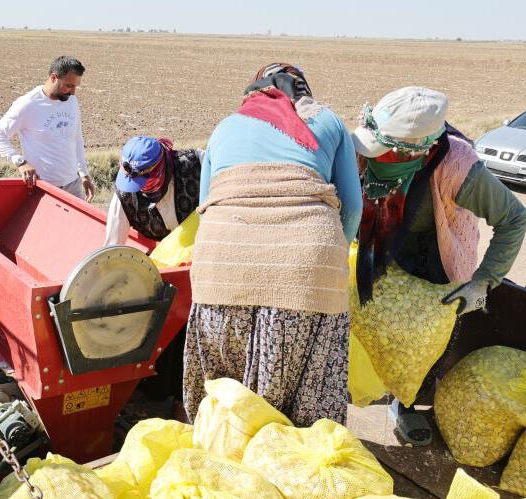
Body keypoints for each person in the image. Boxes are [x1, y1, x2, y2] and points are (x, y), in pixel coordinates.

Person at [183, 63, 363, 425]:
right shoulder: (329, 121)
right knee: (305, 395)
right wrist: (324, 259)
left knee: (227, 395)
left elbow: (205, 207)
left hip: (222, 263)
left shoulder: (224, 127)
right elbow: (353, 206)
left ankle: (229, 463)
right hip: (309, 263)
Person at [351, 86, 526, 446]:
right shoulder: (364, 143)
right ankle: (371, 383)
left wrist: (484, 281)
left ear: (420, 150)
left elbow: (513, 218)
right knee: (370, 320)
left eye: (389, 153)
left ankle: (408, 401)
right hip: (385, 244)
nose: (375, 156)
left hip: (438, 255)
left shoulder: (457, 165)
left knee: (431, 336)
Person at [0, 55, 95, 201]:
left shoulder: (71, 100)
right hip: (44, 189)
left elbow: (76, 138)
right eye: (69, 85)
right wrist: (20, 162)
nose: (73, 92)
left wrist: (83, 173)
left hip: (73, 185)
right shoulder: (27, 104)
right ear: (53, 77)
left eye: (76, 86)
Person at [103, 136, 203, 246]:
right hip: (161, 260)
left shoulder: (196, 163)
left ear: (158, 169)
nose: (138, 189)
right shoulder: (124, 198)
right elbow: (112, 248)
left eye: (141, 180)